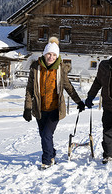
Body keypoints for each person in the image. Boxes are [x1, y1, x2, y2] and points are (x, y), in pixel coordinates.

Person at [23, 37, 85, 169]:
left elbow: (68, 87)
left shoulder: (60, 69)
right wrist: (27, 108)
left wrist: (78, 101)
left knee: (46, 134)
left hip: (54, 109)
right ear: (44, 54)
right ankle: (51, 153)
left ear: (57, 56)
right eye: (49, 54)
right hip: (39, 109)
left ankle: (47, 161)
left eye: (54, 55)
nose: (51, 57)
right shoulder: (36, 68)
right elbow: (29, 89)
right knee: (44, 136)